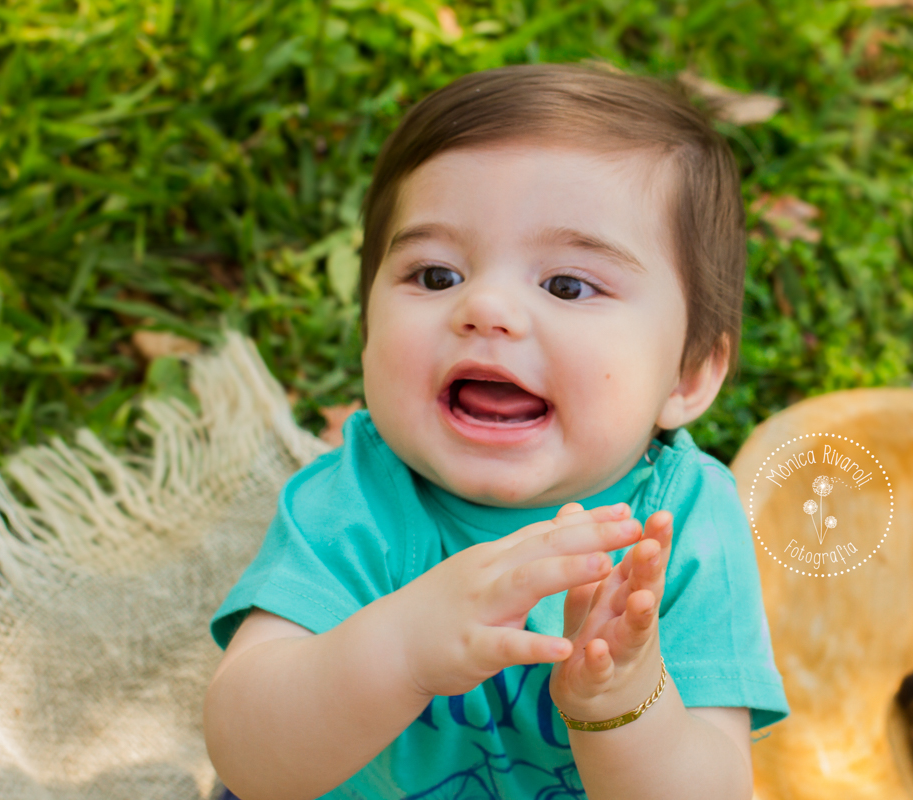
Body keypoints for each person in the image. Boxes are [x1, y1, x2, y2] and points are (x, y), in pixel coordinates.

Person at [203, 62, 789, 800]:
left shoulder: (682, 532)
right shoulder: (354, 501)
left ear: (688, 375)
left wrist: (622, 703)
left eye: (568, 285)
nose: (485, 307)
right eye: (436, 275)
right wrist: (402, 648)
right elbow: (248, 759)